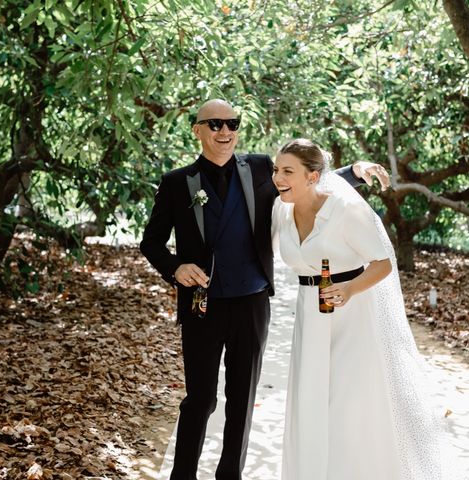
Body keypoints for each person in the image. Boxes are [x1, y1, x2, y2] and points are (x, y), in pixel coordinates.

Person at [139, 100, 389, 480]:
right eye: (215, 124)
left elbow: (308, 180)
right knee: (201, 399)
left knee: (241, 400)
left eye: (232, 123)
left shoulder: (259, 168)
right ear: (198, 130)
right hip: (202, 305)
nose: (225, 131)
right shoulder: (177, 183)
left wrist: (355, 171)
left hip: (252, 304)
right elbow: (152, 243)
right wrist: (176, 267)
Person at [272, 138, 447, 480]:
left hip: (352, 319)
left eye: (287, 171)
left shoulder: (346, 210)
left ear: (313, 176)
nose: (278, 177)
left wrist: (350, 289)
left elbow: (383, 263)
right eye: (277, 169)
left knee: (346, 407)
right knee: (310, 406)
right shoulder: (281, 210)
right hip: (309, 317)